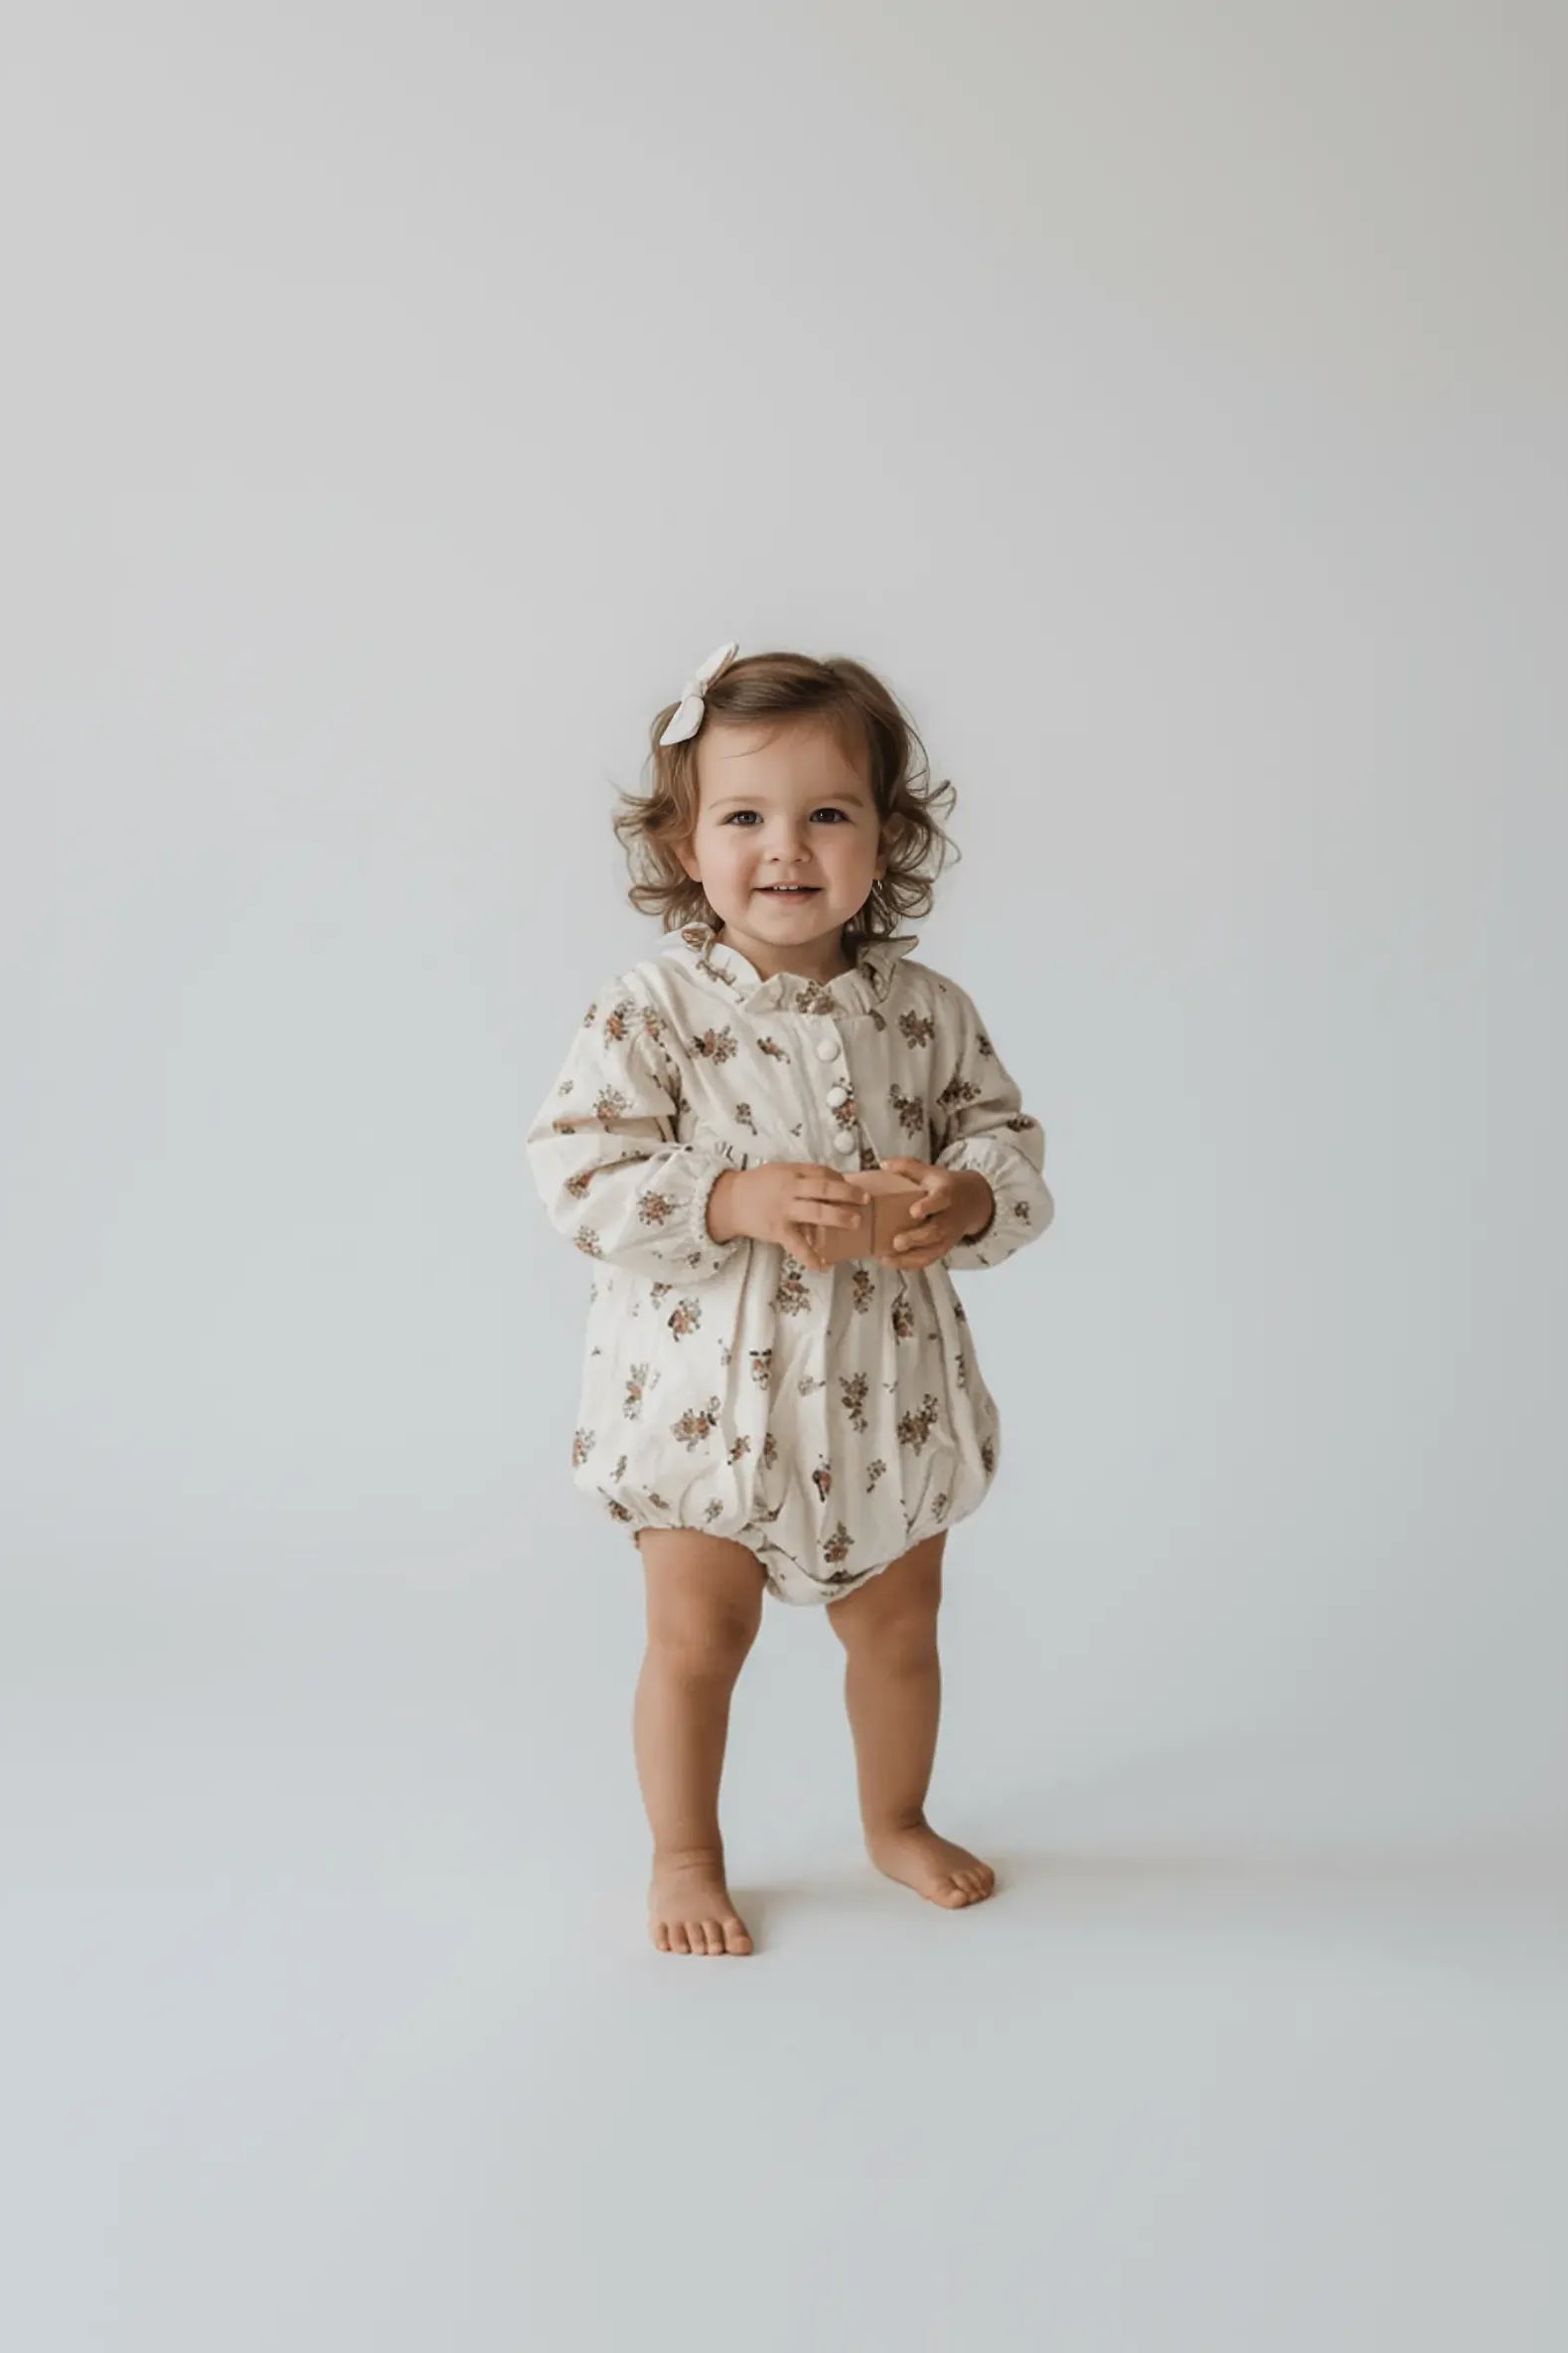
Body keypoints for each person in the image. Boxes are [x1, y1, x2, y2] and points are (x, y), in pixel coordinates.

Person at [526, 643, 1055, 1955]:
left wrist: (965, 1198)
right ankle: (686, 1853)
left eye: (828, 813)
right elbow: (578, 1169)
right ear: (682, 840)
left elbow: (1008, 1144)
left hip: (887, 1403)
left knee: (900, 1631)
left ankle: (894, 1820)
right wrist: (732, 1197)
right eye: (743, 817)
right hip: (705, 1407)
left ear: (888, 835)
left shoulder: (925, 1014)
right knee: (696, 1638)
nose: (786, 850)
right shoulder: (648, 1011)